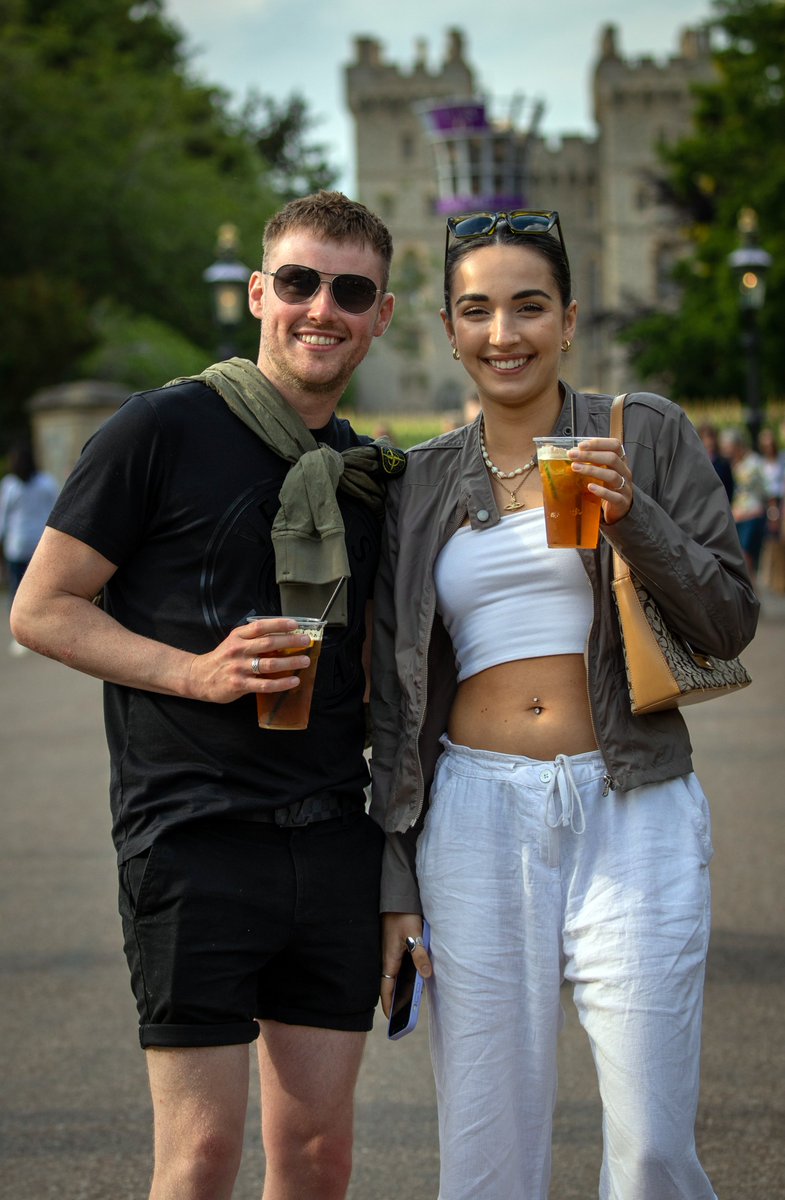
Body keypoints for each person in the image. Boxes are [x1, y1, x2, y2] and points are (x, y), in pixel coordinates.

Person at [12, 190, 400, 1200]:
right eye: (302, 283)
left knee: (318, 1156)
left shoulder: (361, 474)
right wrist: (195, 671)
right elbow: (42, 609)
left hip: (329, 839)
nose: (324, 308)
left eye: (350, 290)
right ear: (261, 293)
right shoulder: (160, 427)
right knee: (201, 1159)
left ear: (381, 316)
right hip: (192, 834)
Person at [369, 209, 758, 1199]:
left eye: (527, 306)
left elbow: (726, 620)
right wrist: (392, 882)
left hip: (632, 805)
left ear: (569, 319)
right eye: (477, 311)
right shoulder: (416, 486)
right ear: (450, 331)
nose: (504, 333)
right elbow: (391, 703)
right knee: (487, 1153)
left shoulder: (643, 431)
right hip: (474, 821)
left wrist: (633, 518)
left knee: (654, 1146)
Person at [0, 438, 59, 655]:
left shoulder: (10, 485)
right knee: (43, 592)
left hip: (18, 545)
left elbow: (3, 517)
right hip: (39, 545)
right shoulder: (45, 482)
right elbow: (58, 509)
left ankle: (22, 636)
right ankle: (42, 632)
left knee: (18, 592)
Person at [719, 426, 768, 586]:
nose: (726, 451)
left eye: (729, 448)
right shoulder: (728, 465)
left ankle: (750, 592)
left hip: (752, 516)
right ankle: (750, 592)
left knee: (746, 556)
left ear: (737, 445)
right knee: (741, 559)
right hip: (735, 517)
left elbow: (764, 490)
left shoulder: (754, 462)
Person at [697, 421, 734, 502]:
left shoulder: (723, 463)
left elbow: (729, 489)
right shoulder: (695, 462)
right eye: (704, 438)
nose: (708, 442)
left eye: (711, 437)